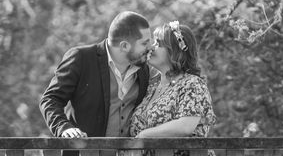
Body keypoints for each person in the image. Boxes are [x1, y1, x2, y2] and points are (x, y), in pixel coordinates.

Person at [40, 11, 153, 145]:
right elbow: (50, 99)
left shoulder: (143, 70)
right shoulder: (81, 58)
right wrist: (63, 128)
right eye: (145, 43)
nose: (150, 47)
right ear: (124, 46)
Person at [129, 21, 215, 156]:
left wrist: (145, 135)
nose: (151, 47)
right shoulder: (151, 87)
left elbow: (185, 126)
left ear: (174, 51)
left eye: (158, 43)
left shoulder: (192, 84)